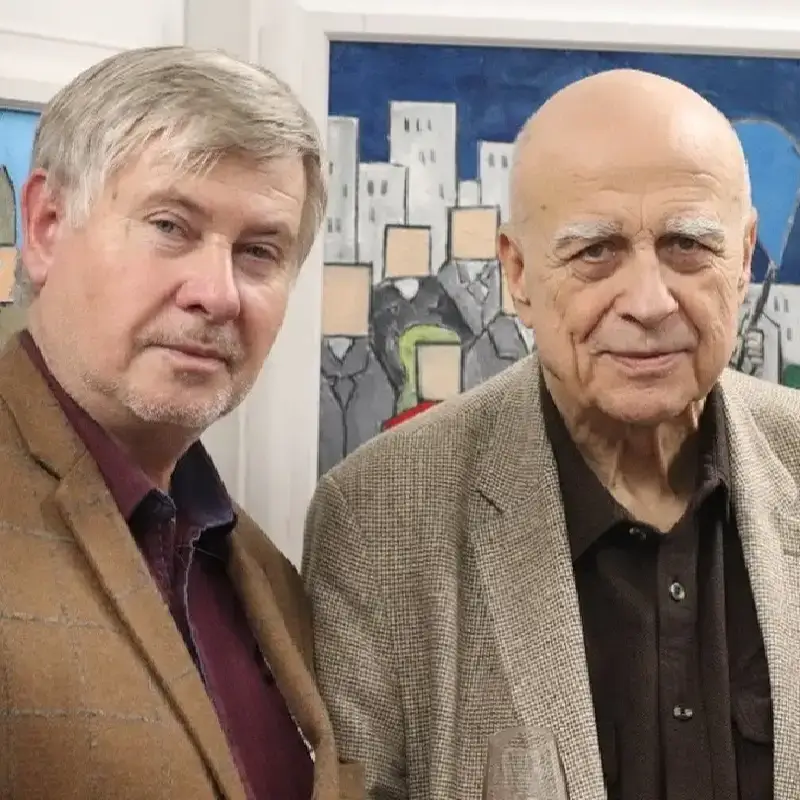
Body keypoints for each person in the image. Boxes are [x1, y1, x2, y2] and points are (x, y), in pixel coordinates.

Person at [303, 69, 800, 800]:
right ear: (518, 272)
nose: (649, 302)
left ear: (745, 255)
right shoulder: (379, 520)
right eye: (595, 251)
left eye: (688, 245)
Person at [0, 46, 363, 800]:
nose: (217, 293)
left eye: (260, 251)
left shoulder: (256, 568)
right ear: (46, 226)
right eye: (170, 226)